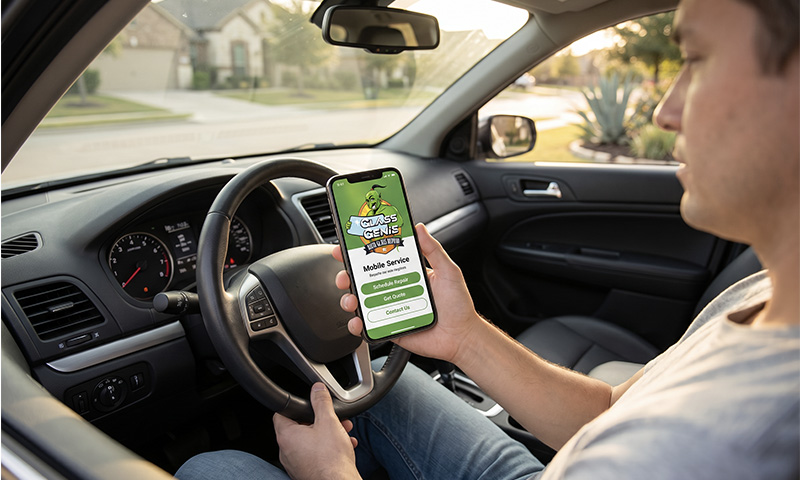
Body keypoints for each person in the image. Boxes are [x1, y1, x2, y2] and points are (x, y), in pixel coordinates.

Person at [176, 0, 799, 478]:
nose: (665, 110)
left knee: (211, 470)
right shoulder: (765, 291)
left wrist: (333, 473)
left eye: (694, 58)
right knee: (371, 389)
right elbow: (608, 411)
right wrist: (465, 338)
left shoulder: (736, 437)